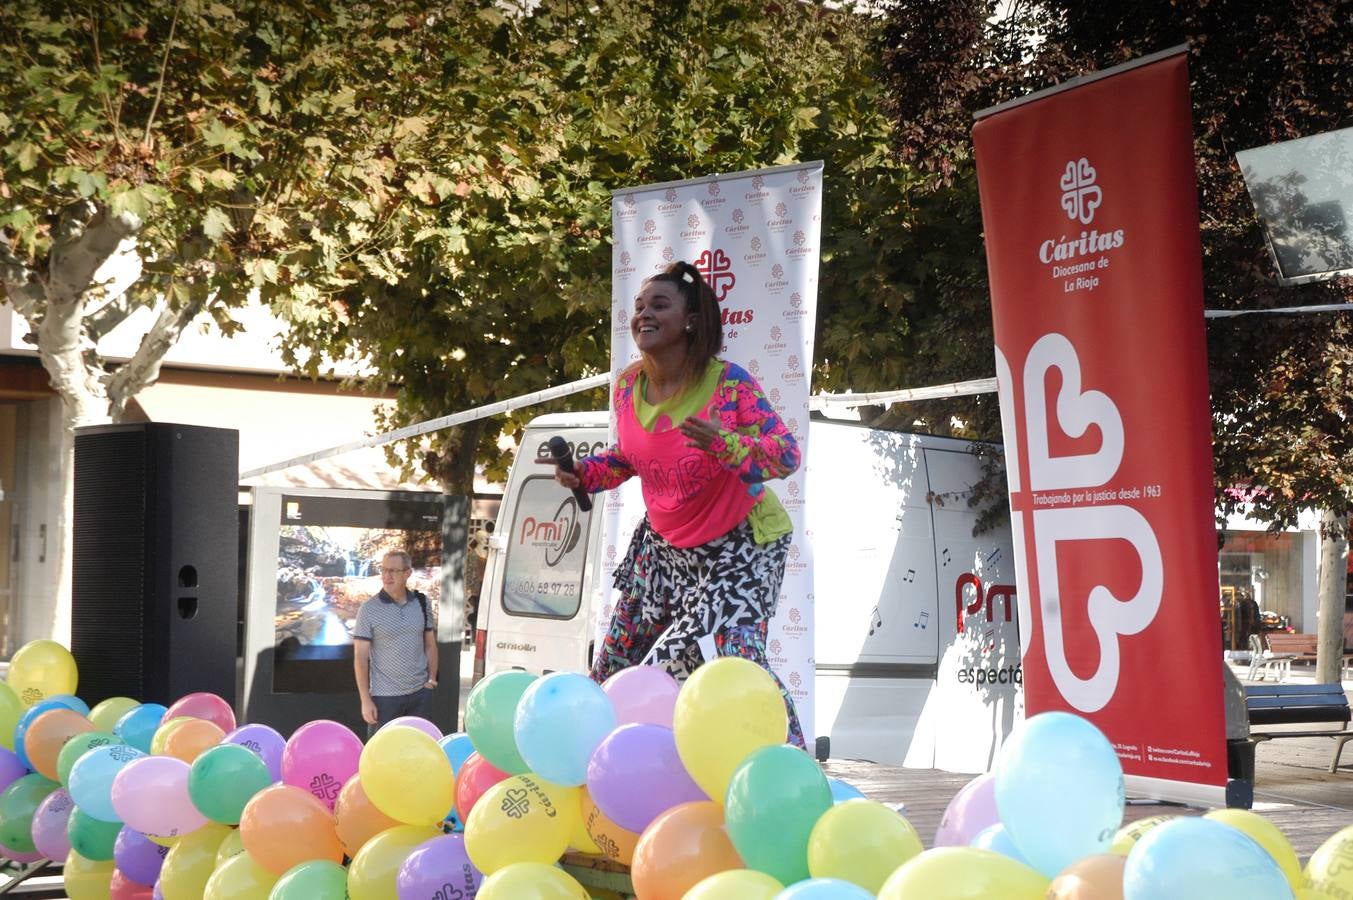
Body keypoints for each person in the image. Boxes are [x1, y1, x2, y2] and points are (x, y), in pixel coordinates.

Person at [550, 260, 806, 748]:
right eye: (640, 306)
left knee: (736, 659)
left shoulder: (728, 384)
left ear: (690, 320)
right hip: (667, 546)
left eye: (659, 305)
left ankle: (791, 764)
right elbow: (627, 459)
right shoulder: (628, 386)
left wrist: (726, 444)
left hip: (741, 542)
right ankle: (587, 764)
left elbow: (786, 455)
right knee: (615, 662)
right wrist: (584, 473)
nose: (644, 314)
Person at [352, 550, 438, 736]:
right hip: (385, 699)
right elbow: (360, 658)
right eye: (383, 570)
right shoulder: (368, 609)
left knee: (419, 754)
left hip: (419, 696)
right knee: (381, 758)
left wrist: (431, 680)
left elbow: (430, 644)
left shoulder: (422, 603)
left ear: (407, 573)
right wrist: (365, 700)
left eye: (392, 571)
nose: (386, 576)